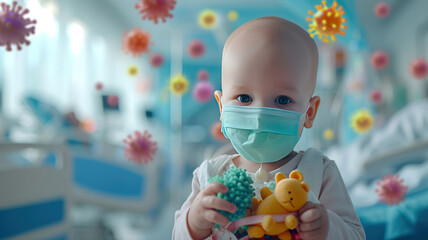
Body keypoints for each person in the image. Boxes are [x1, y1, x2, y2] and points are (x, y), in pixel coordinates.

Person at [173, 16, 365, 240]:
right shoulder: (210, 175)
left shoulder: (320, 172)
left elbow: (356, 235)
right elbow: (177, 236)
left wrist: (326, 227)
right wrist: (194, 223)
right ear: (222, 107)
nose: (260, 114)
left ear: (309, 113)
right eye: (244, 97)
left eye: (282, 100)